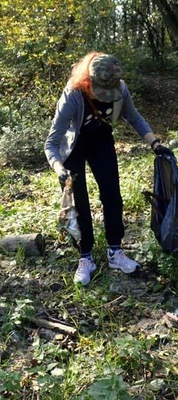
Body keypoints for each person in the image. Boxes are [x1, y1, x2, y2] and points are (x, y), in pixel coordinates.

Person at [45, 51, 174, 285]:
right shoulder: (73, 95)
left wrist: (154, 143)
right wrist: (58, 168)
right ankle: (85, 257)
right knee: (79, 202)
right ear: (88, 82)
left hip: (101, 141)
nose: (106, 97)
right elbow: (51, 143)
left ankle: (115, 251)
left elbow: (134, 117)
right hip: (73, 147)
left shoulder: (120, 89)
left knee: (112, 195)